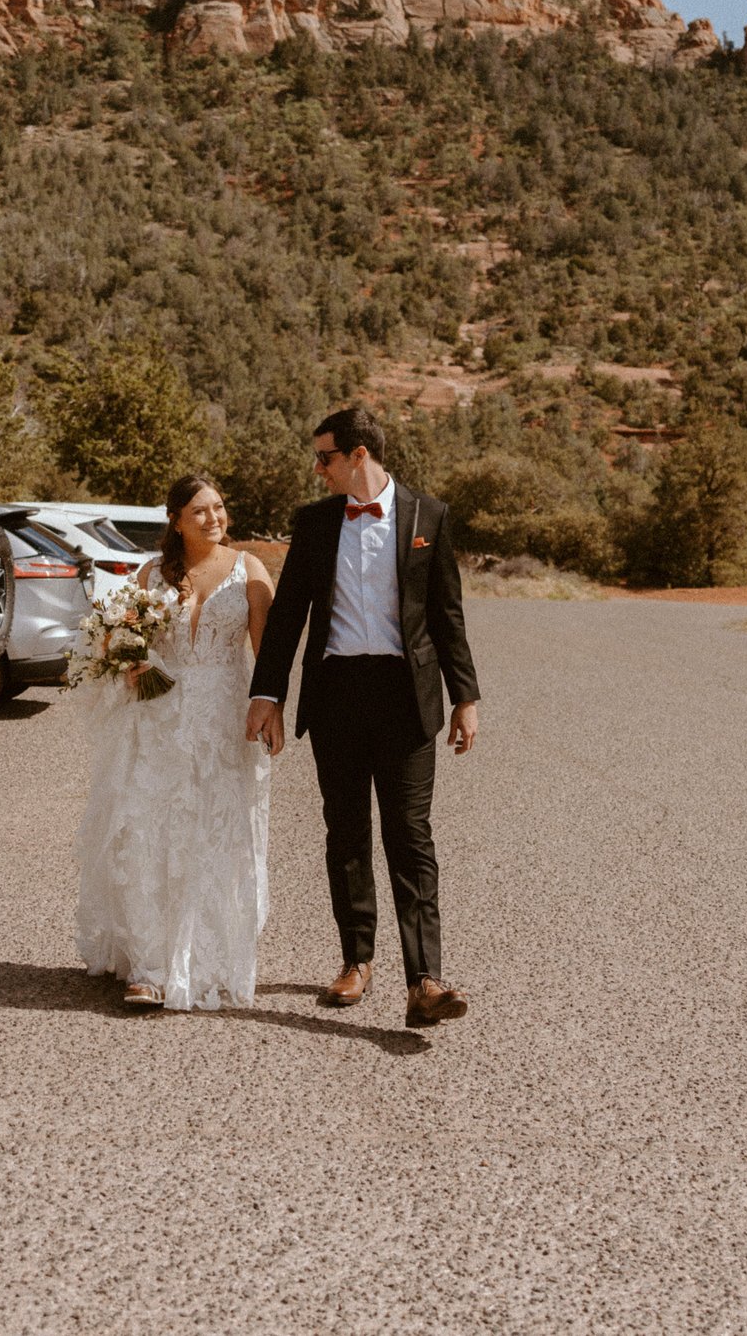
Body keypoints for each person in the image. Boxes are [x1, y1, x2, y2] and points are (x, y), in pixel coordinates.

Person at [248, 406, 481, 1029]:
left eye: (323, 457)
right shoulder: (316, 523)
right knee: (346, 831)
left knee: (410, 836)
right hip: (337, 694)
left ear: (358, 455)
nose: (316, 468)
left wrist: (465, 696)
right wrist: (266, 693)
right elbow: (290, 613)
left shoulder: (428, 516)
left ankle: (425, 980)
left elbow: (446, 613)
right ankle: (356, 959)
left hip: (407, 696)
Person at [73, 475, 278, 1011]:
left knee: (214, 832)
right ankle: (148, 966)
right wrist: (130, 660)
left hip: (223, 721)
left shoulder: (249, 569)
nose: (214, 518)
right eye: (200, 511)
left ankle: (206, 960)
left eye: (219, 508)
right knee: (148, 831)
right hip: (158, 720)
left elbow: (268, 655)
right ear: (176, 520)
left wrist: (270, 707)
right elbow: (122, 636)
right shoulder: (149, 573)